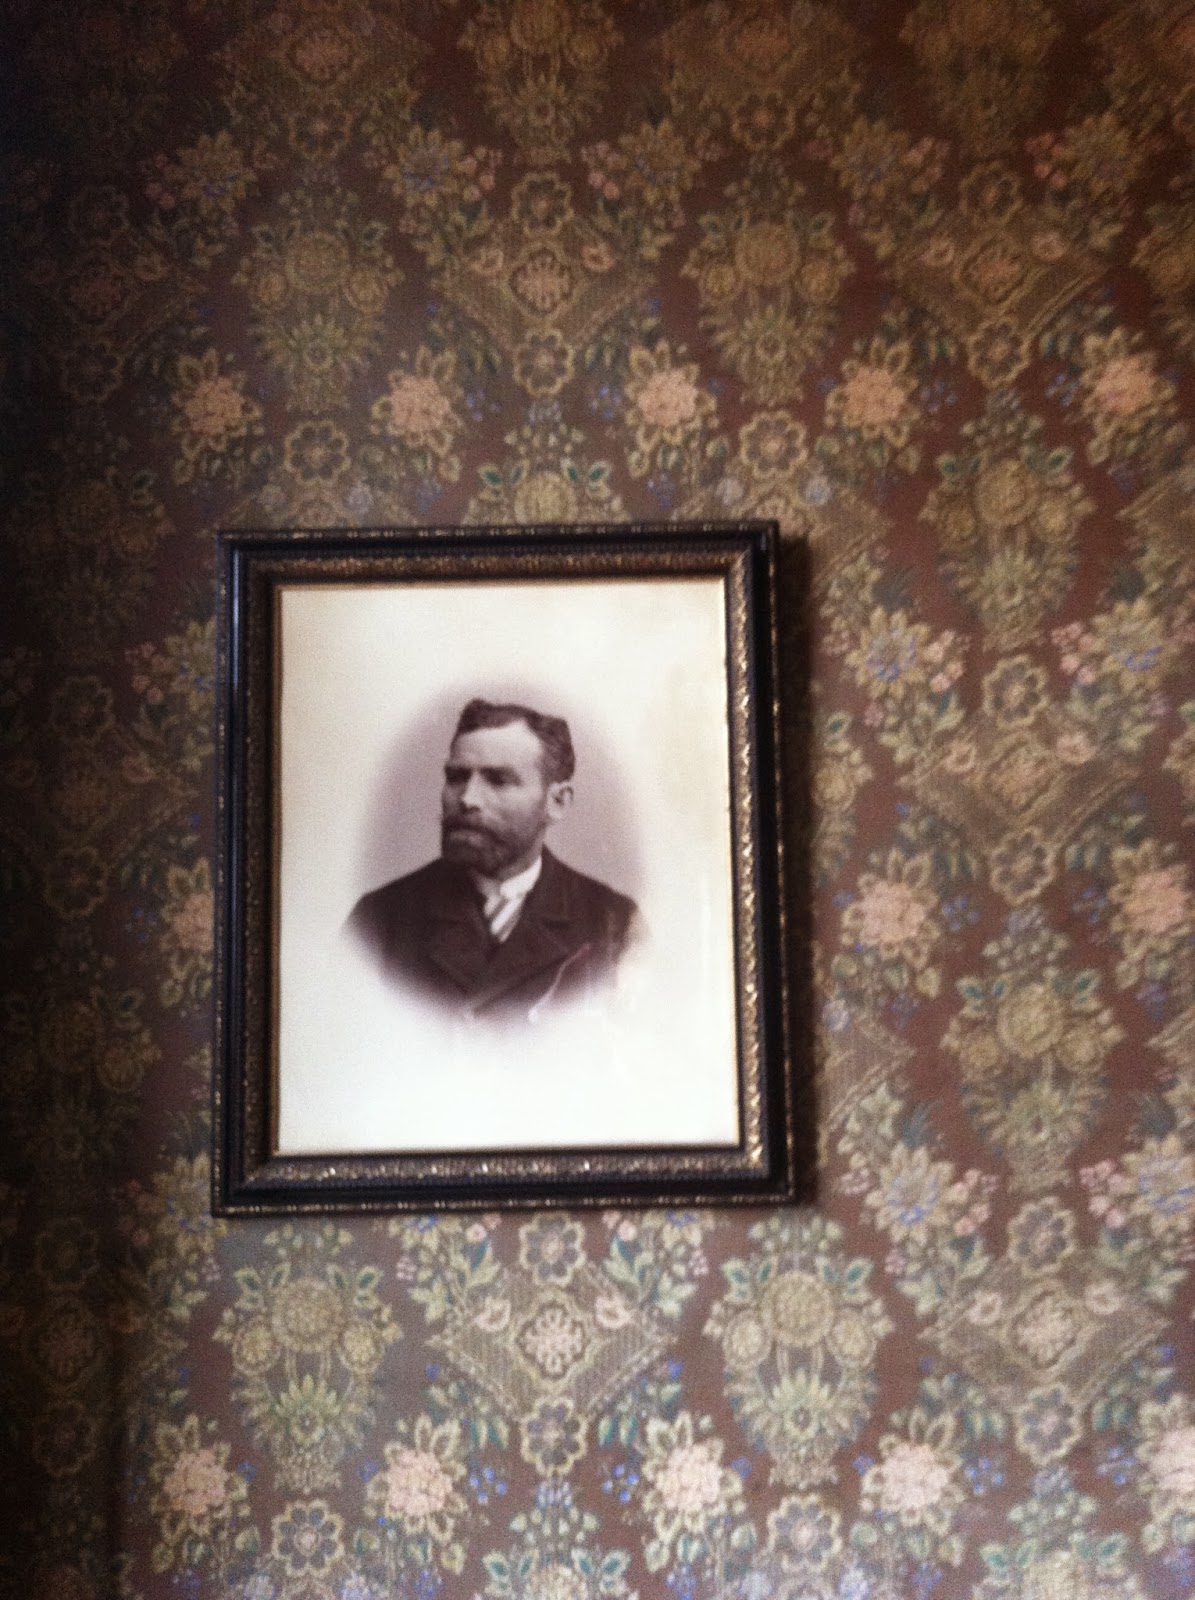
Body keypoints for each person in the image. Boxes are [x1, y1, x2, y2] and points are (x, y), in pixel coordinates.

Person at [346, 698, 642, 1022]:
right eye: (456, 777)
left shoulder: (615, 925)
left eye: (498, 780)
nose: (467, 799)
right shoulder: (378, 921)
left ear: (557, 801)